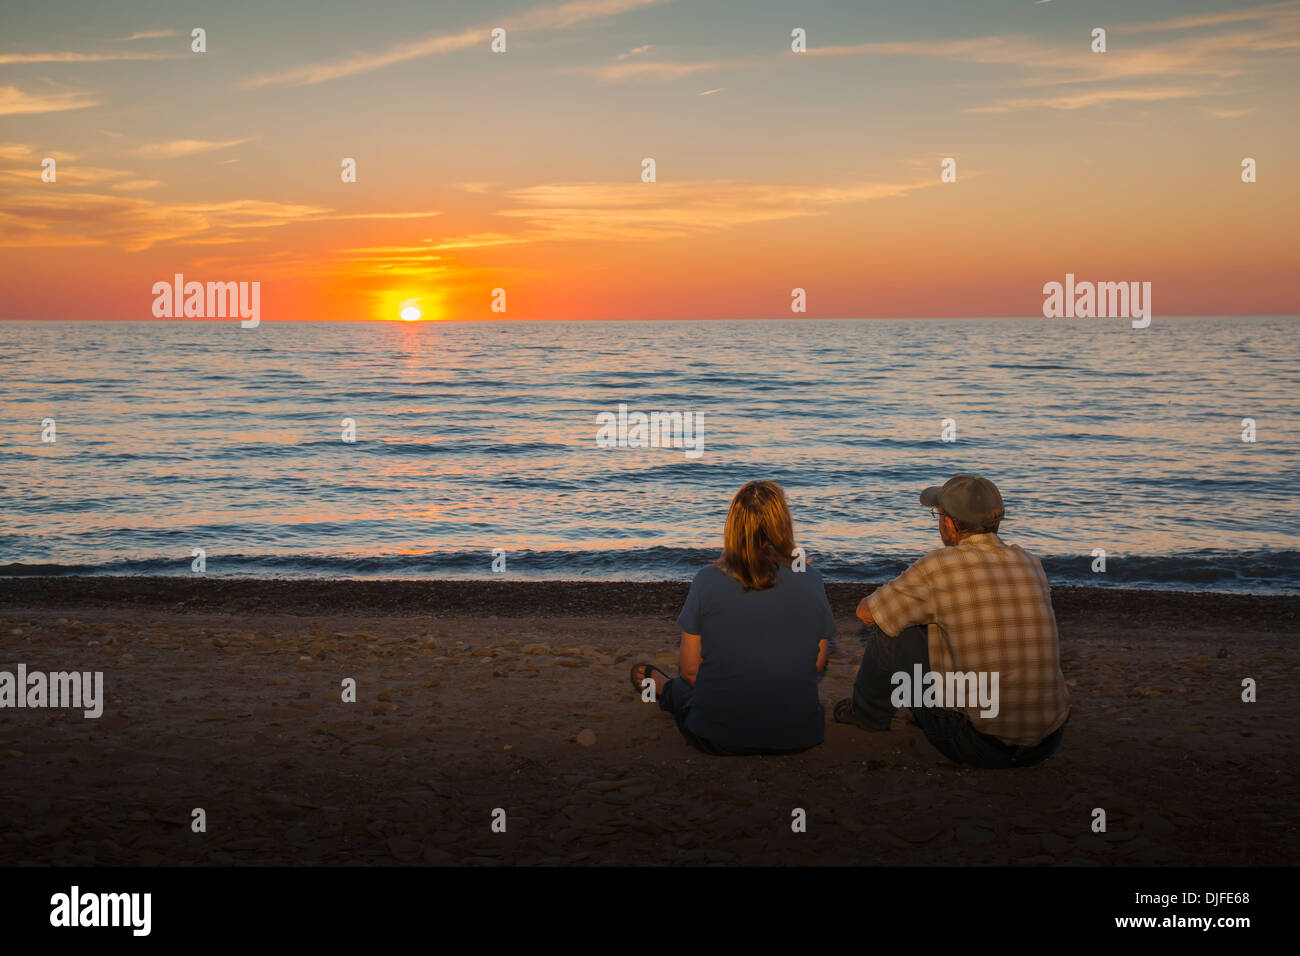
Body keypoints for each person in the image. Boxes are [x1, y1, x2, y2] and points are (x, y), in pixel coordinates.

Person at [835, 474, 1069, 768]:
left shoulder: (939, 566)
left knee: (890, 626)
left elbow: (866, 613)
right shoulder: (1031, 562)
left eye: (939, 514)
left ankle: (867, 716)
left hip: (981, 744)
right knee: (944, 618)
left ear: (950, 523)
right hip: (1048, 739)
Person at [631, 480, 835, 755]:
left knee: (683, 690)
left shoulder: (707, 580)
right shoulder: (811, 579)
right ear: (783, 524)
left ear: (734, 526)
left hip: (718, 737)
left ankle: (662, 688)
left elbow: (691, 671)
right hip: (799, 735)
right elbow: (817, 663)